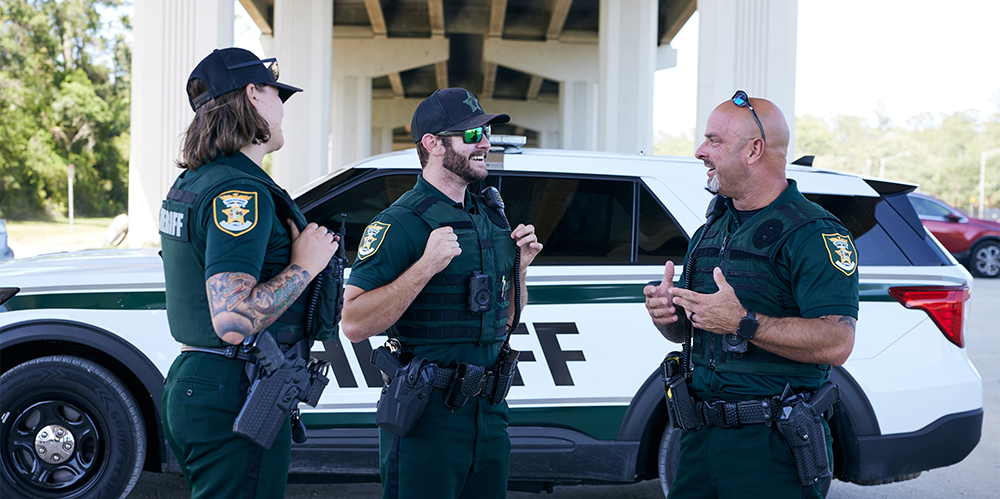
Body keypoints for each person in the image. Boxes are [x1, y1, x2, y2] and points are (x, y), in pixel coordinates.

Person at [644, 91, 858, 499]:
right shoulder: (710, 231)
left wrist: (743, 322)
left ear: (754, 150)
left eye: (714, 140)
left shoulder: (814, 233)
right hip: (697, 442)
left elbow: (837, 342)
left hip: (773, 451)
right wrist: (669, 317)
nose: (699, 151)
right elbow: (694, 332)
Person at [340, 87, 543, 499]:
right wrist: (425, 267)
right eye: (470, 134)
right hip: (426, 418)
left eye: (485, 131)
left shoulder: (488, 218)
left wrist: (519, 270)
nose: (484, 141)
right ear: (432, 144)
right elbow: (354, 322)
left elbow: (503, 321)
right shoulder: (400, 222)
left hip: (488, 415)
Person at [158, 47, 339, 498]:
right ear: (254, 95)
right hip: (232, 390)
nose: (283, 108)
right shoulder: (239, 193)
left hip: (208, 385)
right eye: (279, 95)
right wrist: (305, 265)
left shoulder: (196, 180)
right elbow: (234, 321)